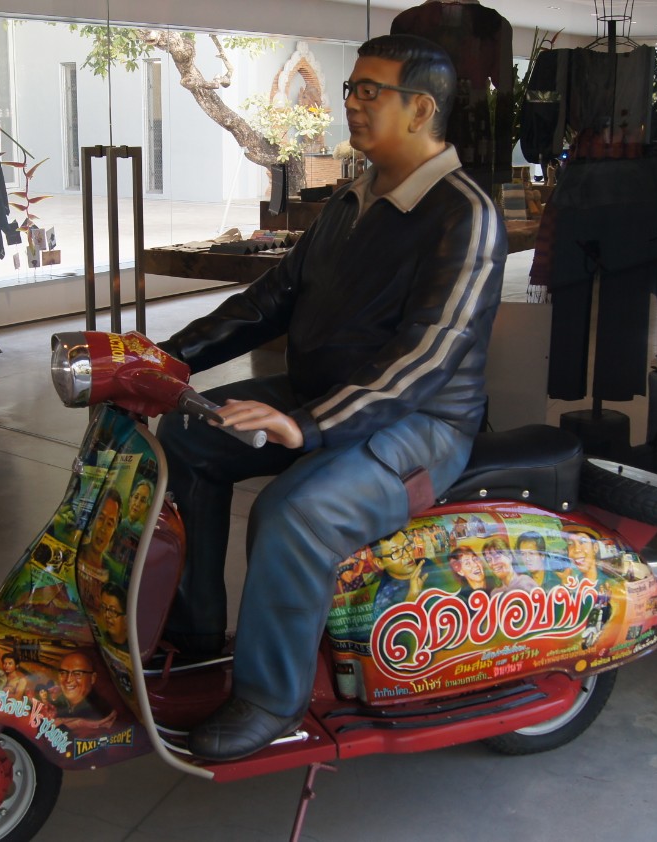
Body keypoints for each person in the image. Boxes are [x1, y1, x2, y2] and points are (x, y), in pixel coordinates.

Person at [155, 33, 506, 760]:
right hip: (323, 393)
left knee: (295, 512)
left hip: (422, 423)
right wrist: (166, 360)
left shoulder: (465, 213)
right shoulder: (354, 197)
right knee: (188, 438)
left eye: (370, 91)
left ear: (421, 109)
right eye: (352, 88)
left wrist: (308, 424)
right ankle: (194, 631)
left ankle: (269, 697)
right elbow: (271, 298)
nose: (352, 103)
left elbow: (427, 354)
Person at [49, 651, 118, 731]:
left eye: (77, 674)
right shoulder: (57, 703)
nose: (68, 680)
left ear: (92, 678)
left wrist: (76, 723)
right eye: (63, 673)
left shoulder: (101, 711)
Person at [98, 583, 129, 648]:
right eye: (103, 607)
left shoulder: (133, 648)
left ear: (126, 619)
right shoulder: (100, 639)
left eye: (112, 611)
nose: (106, 615)